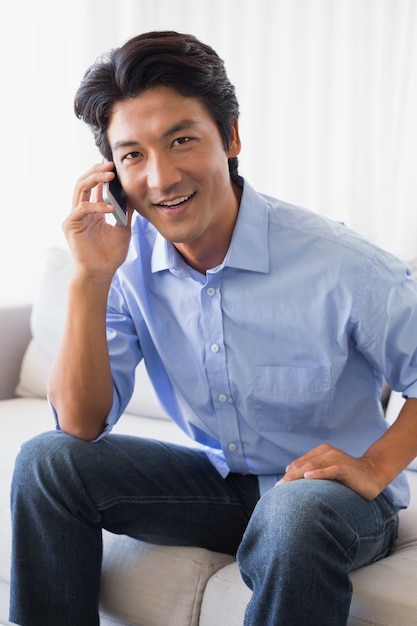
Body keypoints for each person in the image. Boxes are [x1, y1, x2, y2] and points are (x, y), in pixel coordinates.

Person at [9, 30, 417, 626]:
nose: (162, 177)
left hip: (332, 501)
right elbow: (79, 425)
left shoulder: (342, 264)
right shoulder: (124, 266)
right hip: (220, 487)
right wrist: (89, 278)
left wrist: (376, 465)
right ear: (114, 173)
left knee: (294, 515)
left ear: (229, 137)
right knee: (47, 462)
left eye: (181, 140)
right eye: (133, 155)